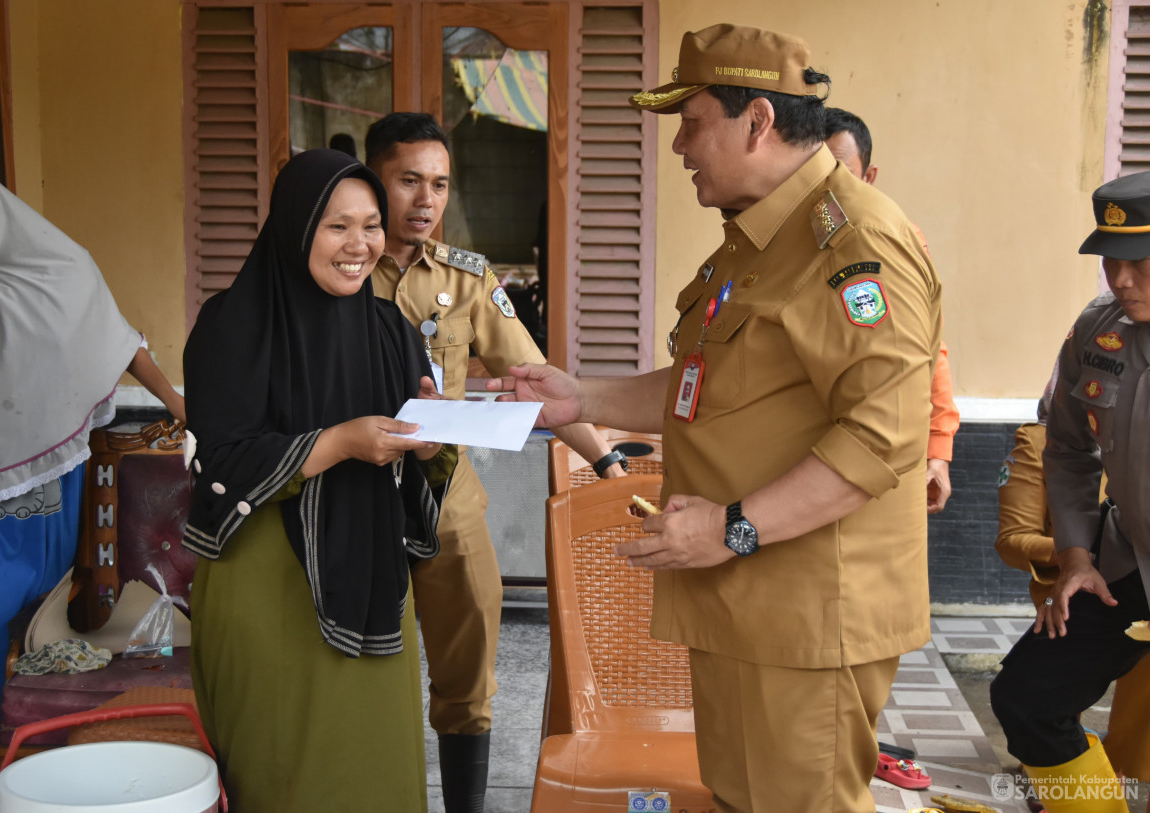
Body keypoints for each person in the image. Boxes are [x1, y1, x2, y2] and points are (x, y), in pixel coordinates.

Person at [489, 24, 942, 812]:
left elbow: (882, 436)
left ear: (757, 121)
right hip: (742, 595)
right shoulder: (757, 238)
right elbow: (708, 382)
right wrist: (581, 398)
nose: (679, 147)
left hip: (805, 610)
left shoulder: (855, 241)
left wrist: (731, 527)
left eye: (692, 123)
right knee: (738, 797)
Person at [364, 111, 627, 812]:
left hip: (447, 504)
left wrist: (607, 463)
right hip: (353, 501)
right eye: (408, 181)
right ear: (373, 181)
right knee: (360, 672)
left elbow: (538, 382)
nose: (426, 200)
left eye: (441, 184)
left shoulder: (467, 281)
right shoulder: (338, 271)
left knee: (468, 680)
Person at [182, 149, 454, 812]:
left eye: (371, 225)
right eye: (337, 226)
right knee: (284, 771)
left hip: (370, 579)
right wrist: (338, 443)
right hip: (269, 584)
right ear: (298, 226)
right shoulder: (233, 325)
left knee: (377, 772)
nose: (359, 245)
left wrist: (427, 445)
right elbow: (222, 459)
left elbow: (416, 451)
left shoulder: (390, 327)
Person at [0, 154, 185, 789]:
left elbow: (114, 339)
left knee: (37, 614)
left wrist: (179, 403)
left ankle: (25, 751)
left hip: (43, 484)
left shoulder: (60, 266)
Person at [990, 171, 1150, 813]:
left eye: (1139, 262)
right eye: (1110, 262)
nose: (1121, 280)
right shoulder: (1096, 329)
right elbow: (1066, 449)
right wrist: (1077, 554)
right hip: (1125, 564)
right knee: (1027, 698)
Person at [995, 381, 1150, 785]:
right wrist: (1082, 552)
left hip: (1136, 591)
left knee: (1139, 750)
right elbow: (1013, 540)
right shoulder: (1040, 441)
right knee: (1040, 711)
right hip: (1083, 596)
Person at [824, 107, 960, 514]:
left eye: (839, 170)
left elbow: (926, 349)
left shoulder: (889, 242)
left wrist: (938, 448)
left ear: (869, 178)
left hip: (872, 448)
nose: (824, 185)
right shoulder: (781, 244)